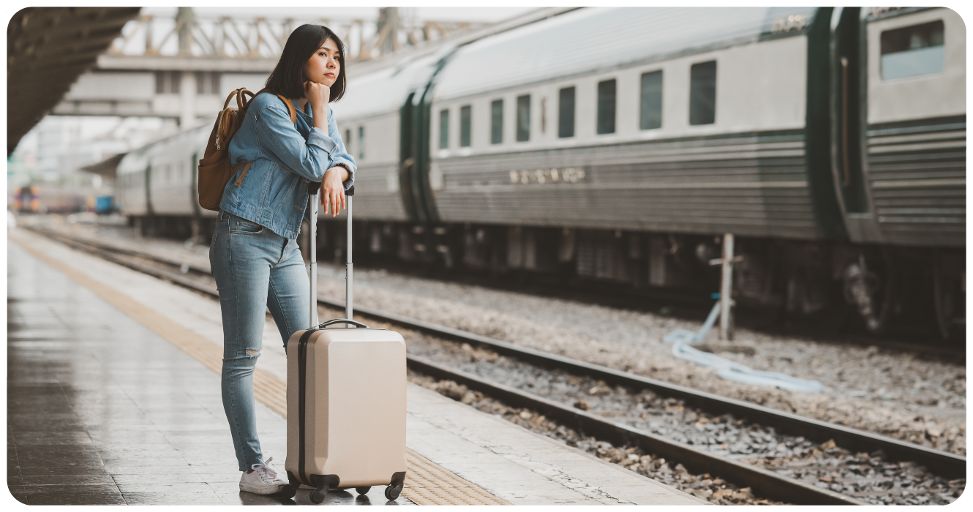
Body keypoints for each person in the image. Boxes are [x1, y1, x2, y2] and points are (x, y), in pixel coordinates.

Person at [209, 24, 356, 495]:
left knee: (309, 352)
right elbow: (311, 164)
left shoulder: (320, 114)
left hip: (285, 244)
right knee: (243, 355)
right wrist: (324, 145)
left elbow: (343, 158)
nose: (332, 63)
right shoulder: (269, 108)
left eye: (337, 55)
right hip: (243, 237)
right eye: (321, 53)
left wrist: (339, 168)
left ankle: (315, 459)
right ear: (299, 59)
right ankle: (252, 467)